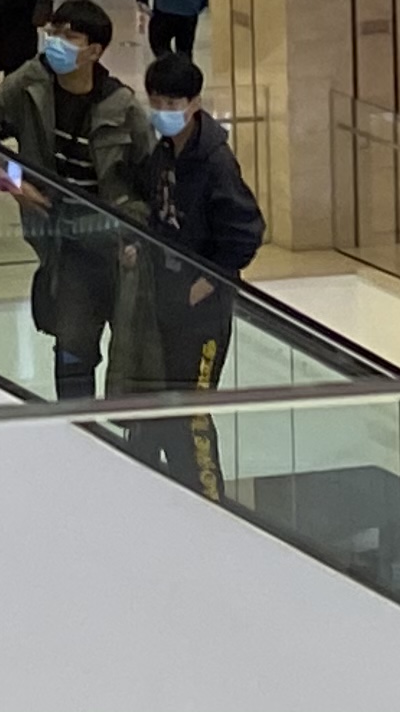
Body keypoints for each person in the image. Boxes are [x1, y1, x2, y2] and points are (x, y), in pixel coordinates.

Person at [0, 0, 160, 398]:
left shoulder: (122, 107)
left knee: (130, 354)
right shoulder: (31, 83)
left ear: (94, 51)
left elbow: (153, 180)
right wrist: (12, 179)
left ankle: (122, 430)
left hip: (118, 246)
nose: (55, 42)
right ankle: (77, 424)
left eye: (69, 36)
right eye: (53, 32)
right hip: (68, 246)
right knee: (72, 347)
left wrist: (139, 234)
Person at [126, 53, 268, 493]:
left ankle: (208, 498)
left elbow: (246, 232)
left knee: (190, 412)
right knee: (157, 406)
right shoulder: (165, 151)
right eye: (156, 101)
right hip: (165, 296)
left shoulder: (215, 162)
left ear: (194, 104)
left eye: (172, 103)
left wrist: (206, 282)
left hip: (203, 311)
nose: (162, 111)